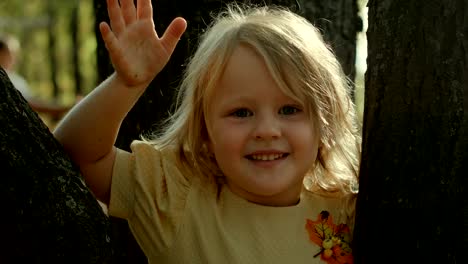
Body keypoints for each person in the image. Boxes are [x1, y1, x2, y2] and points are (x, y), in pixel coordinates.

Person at [54, 0, 361, 263]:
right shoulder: (174, 199)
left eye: (289, 110)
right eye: (241, 112)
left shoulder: (345, 212)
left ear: (325, 119)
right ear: (204, 128)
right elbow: (80, 151)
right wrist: (127, 85)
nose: (267, 130)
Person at [0, 34, 73, 118]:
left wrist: (63, 106)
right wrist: (63, 108)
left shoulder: (18, 79)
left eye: (16, 53)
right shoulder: (8, 80)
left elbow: (32, 100)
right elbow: (30, 104)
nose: (14, 58)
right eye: (10, 53)